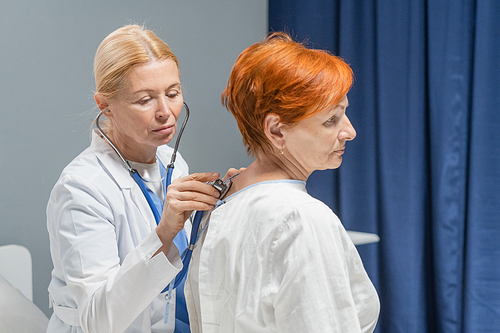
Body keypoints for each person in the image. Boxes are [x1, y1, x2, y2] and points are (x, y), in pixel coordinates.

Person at [184, 32, 380, 332]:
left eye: (345, 114)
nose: (350, 131)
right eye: (332, 119)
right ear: (276, 130)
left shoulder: (219, 206)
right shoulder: (302, 218)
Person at [46, 25, 222, 332]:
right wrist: (164, 232)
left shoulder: (172, 162)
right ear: (105, 105)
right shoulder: (82, 188)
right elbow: (97, 319)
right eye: (145, 100)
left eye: (173, 93)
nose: (166, 112)